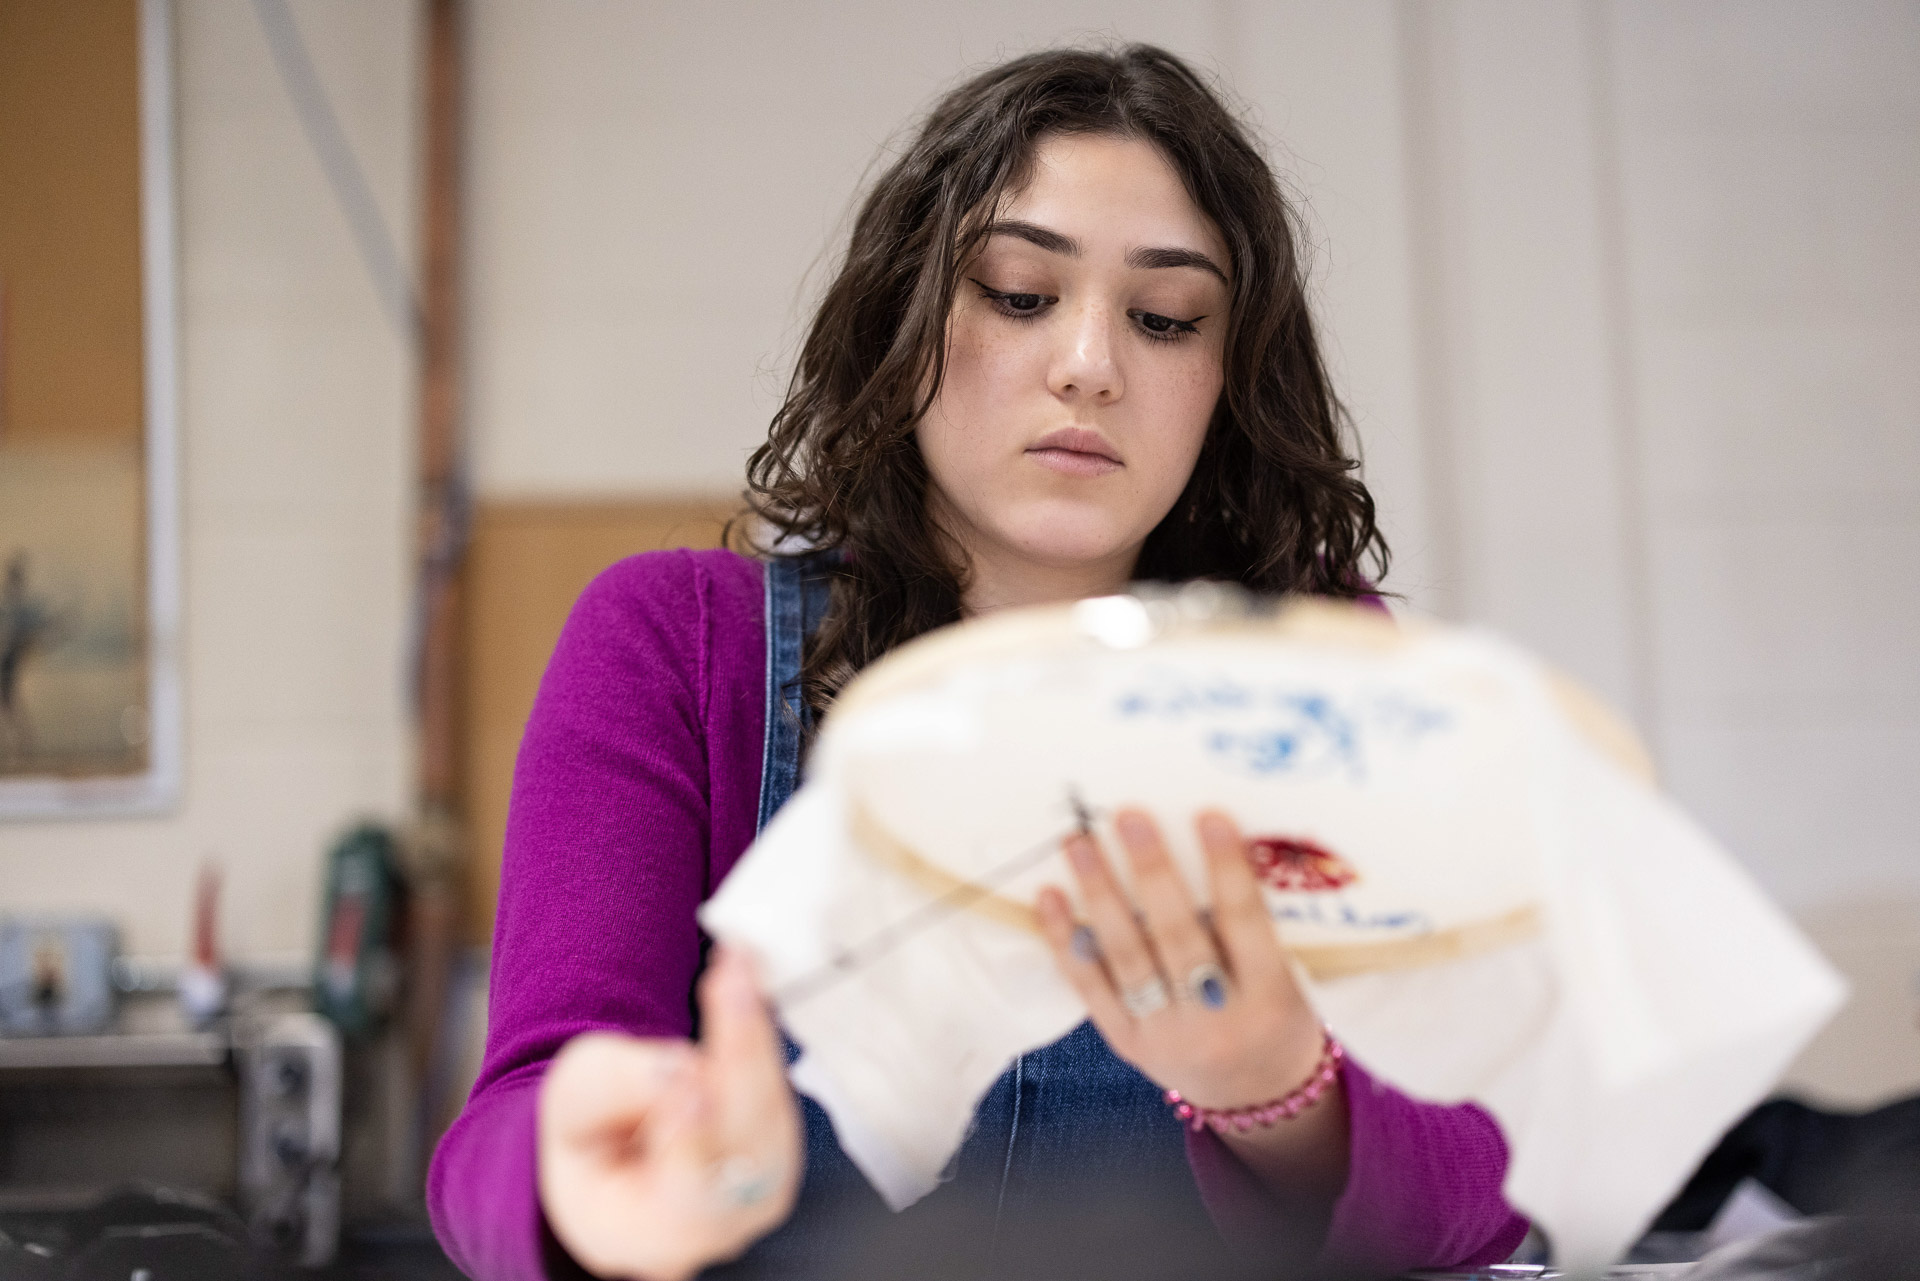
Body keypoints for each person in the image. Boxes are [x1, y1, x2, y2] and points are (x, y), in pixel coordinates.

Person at [430, 45, 1529, 1281]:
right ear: (906, 319)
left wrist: (1281, 1091)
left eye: (1166, 319)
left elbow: (1483, 1181)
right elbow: (512, 1125)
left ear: (1228, 379)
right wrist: (578, 1182)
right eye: (1019, 293)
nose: (1091, 364)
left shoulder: (1324, 679)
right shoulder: (676, 649)